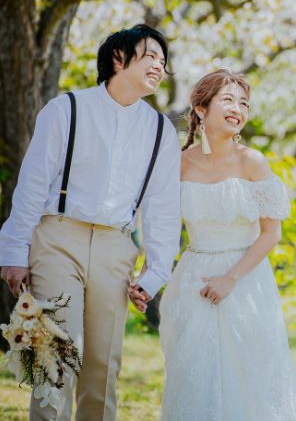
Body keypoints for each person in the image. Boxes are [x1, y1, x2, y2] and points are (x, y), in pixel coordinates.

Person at [0, 24, 181, 421]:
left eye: (163, 63)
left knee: (103, 367)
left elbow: (163, 208)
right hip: (58, 238)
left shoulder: (160, 132)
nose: (159, 67)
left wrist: (154, 275)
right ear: (119, 58)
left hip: (117, 249)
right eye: (150, 55)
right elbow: (32, 185)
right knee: (57, 358)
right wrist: (14, 251)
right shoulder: (66, 109)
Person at [158, 69, 296, 421]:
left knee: (251, 376)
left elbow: (271, 233)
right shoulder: (177, 164)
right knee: (194, 374)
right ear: (200, 109)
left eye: (243, 103)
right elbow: (161, 227)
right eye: (227, 99)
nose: (237, 108)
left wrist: (230, 279)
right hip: (192, 277)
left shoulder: (252, 162)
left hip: (246, 279)